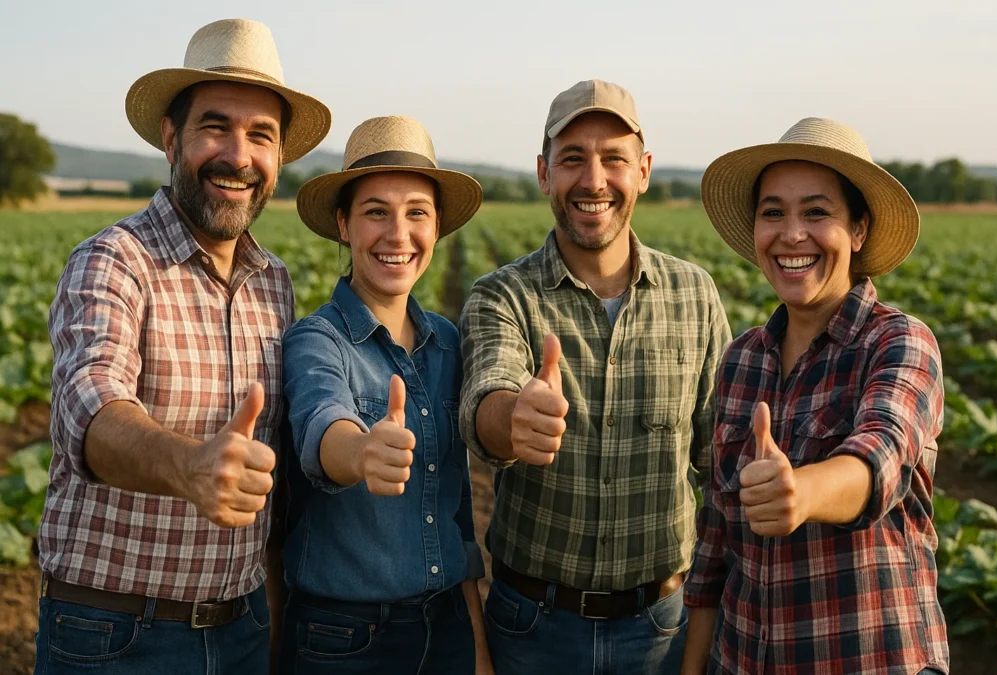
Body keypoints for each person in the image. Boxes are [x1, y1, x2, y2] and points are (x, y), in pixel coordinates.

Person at [37, 18, 330, 675]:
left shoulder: (274, 281)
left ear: (279, 157)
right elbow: (90, 411)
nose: (238, 155)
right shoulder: (114, 261)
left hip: (243, 630)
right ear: (172, 138)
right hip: (115, 634)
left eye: (261, 136)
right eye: (215, 126)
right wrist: (189, 464)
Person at [458, 79, 731, 674]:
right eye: (572, 159)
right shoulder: (503, 295)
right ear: (543, 173)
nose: (593, 179)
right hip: (532, 626)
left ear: (644, 170)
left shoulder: (695, 295)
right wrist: (515, 418)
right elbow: (488, 399)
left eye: (614, 158)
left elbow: (720, 466)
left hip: (663, 626)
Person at [681, 118, 949, 675]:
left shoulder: (898, 342)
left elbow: (882, 455)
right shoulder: (741, 359)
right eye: (773, 212)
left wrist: (798, 493)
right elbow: (712, 554)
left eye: (817, 212)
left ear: (858, 230)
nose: (792, 234)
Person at [279, 116, 492, 674]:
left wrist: (476, 645)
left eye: (416, 212)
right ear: (344, 226)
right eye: (376, 211)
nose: (398, 235)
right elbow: (323, 423)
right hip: (344, 640)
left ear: (437, 227)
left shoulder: (447, 343)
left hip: (445, 628)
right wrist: (361, 452)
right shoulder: (316, 339)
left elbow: (457, 514)